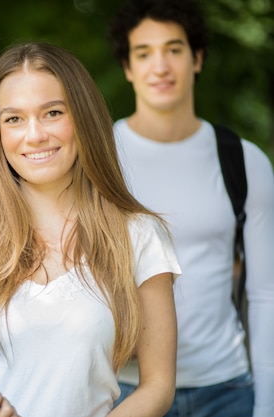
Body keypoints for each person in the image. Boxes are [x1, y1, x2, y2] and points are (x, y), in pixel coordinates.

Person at [0, 42, 181, 417]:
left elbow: (158, 385)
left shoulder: (139, 236)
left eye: (52, 112)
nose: (34, 135)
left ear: (83, 117)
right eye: (14, 119)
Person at [108, 1, 274, 416]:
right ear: (128, 67)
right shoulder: (100, 159)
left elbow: (266, 294)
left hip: (226, 390)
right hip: (126, 390)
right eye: (143, 53)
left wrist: (267, 405)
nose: (159, 66)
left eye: (174, 49)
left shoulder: (242, 160)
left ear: (197, 58)